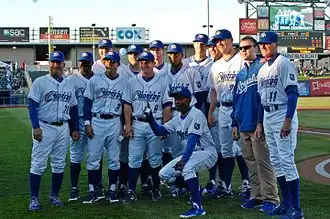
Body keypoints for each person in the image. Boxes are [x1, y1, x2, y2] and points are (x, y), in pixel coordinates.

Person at [145, 87, 217, 218]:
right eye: (175, 99)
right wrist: (150, 118)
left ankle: (198, 207)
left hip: (208, 152)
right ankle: (198, 190)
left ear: (189, 100)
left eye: (180, 98)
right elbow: (159, 131)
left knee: (187, 168)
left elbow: (193, 140)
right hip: (192, 155)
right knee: (163, 174)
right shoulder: (177, 118)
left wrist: (183, 160)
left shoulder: (196, 114)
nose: (177, 101)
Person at [257, 31, 303, 219]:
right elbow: (261, 100)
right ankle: (285, 203)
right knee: (276, 161)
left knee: (286, 160)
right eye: (261, 44)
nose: (264, 46)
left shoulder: (283, 63)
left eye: (267, 43)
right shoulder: (261, 70)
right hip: (268, 115)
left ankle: (296, 208)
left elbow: (292, 93)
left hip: (282, 113)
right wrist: (259, 123)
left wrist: (288, 120)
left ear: (275, 44)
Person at [231, 36, 279, 213]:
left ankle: (271, 198)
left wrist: (260, 122)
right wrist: (234, 122)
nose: (243, 50)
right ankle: (257, 196)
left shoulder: (262, 69)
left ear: (256, 48)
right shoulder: (241, 73)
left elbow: (263, 99)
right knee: (250, 164)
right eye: (241, 48)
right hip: (242, 124)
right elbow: (236, 99)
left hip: (257, 124)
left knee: (263, 163)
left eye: (247, 47)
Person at [27, 51, 79, 211]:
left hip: (63, 127)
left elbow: (73, 108)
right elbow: (32, 105)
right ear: (49, 64)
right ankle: (34, 199)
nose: (55, 65)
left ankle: (54, 195)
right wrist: (36, 126)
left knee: (59, 163)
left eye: (58, 62)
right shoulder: (40, 82)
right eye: (53, 62)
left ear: (64, 65)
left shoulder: (69, 84)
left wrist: (75, 128)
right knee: (38, 164)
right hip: (45, 126)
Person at [121, 51, 172, 202]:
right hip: (138, 123)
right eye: (142, 62)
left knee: (155, 159)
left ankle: (155, 189)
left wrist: (165, 127)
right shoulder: (132, 82)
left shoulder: (162, 82)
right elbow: (127, 105)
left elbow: (167, 106)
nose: (144, 65)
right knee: (134, 159)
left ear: (153, 63)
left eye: (147, 62)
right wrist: (128, 125)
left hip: (155, 123)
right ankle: (131, 190)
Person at [207, 29, 250, 199]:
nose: (220, 43)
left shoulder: (241, 60)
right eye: (217, 41)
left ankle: (247, 183)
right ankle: (226, 185)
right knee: (225, 150)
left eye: (223, 40)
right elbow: (213, 92)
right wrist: (211, 112)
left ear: (231, 40)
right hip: (222, 109)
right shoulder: (215, 66)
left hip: (239, 108)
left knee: (242, 147)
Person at [83, 51, 127, 204]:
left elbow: (125, 105)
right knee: (93, 158)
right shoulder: (95, 80)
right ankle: (92, 190)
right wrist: (87, 123)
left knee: (114, 159)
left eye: (112, 61)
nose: (108, 64)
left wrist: (124, 125)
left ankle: (112, 190)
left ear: (118, 64)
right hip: (97, 121)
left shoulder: (124, 82)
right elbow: (87, 103)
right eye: (107, 61)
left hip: (115, 121)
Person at [67, 52, 95, 201]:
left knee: (95, 154)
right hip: (77, 120)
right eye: (82, 62)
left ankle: (95, 186)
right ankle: (74, 188)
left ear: (92, 63)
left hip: (95, 121)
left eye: (87, 62)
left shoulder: (98, 79)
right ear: (79, 64)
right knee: (76, 156)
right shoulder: (71, 80)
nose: (85, 64)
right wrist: (73, 128)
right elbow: (69, 105)